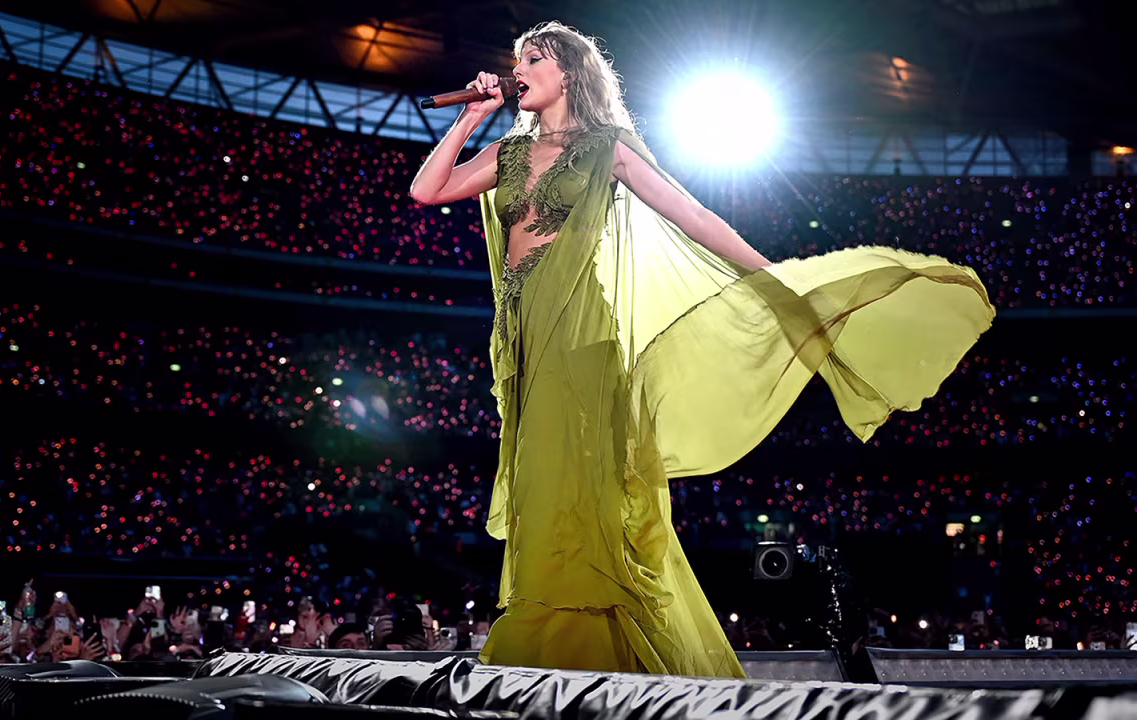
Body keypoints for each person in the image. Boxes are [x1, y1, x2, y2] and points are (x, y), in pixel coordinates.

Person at [410, 21, 993, 677]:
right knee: (543, 487)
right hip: (527, 339)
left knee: (581, 489)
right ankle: (566, 646)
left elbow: (696, 218)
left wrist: (774, 280)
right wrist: (472, 118)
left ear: (568, 72)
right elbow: (427, 190)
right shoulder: (511, 155)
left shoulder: (609, 147)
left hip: (582, 339)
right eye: (515, 60)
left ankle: (585, 653)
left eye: (532, 59)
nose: (517, 68)